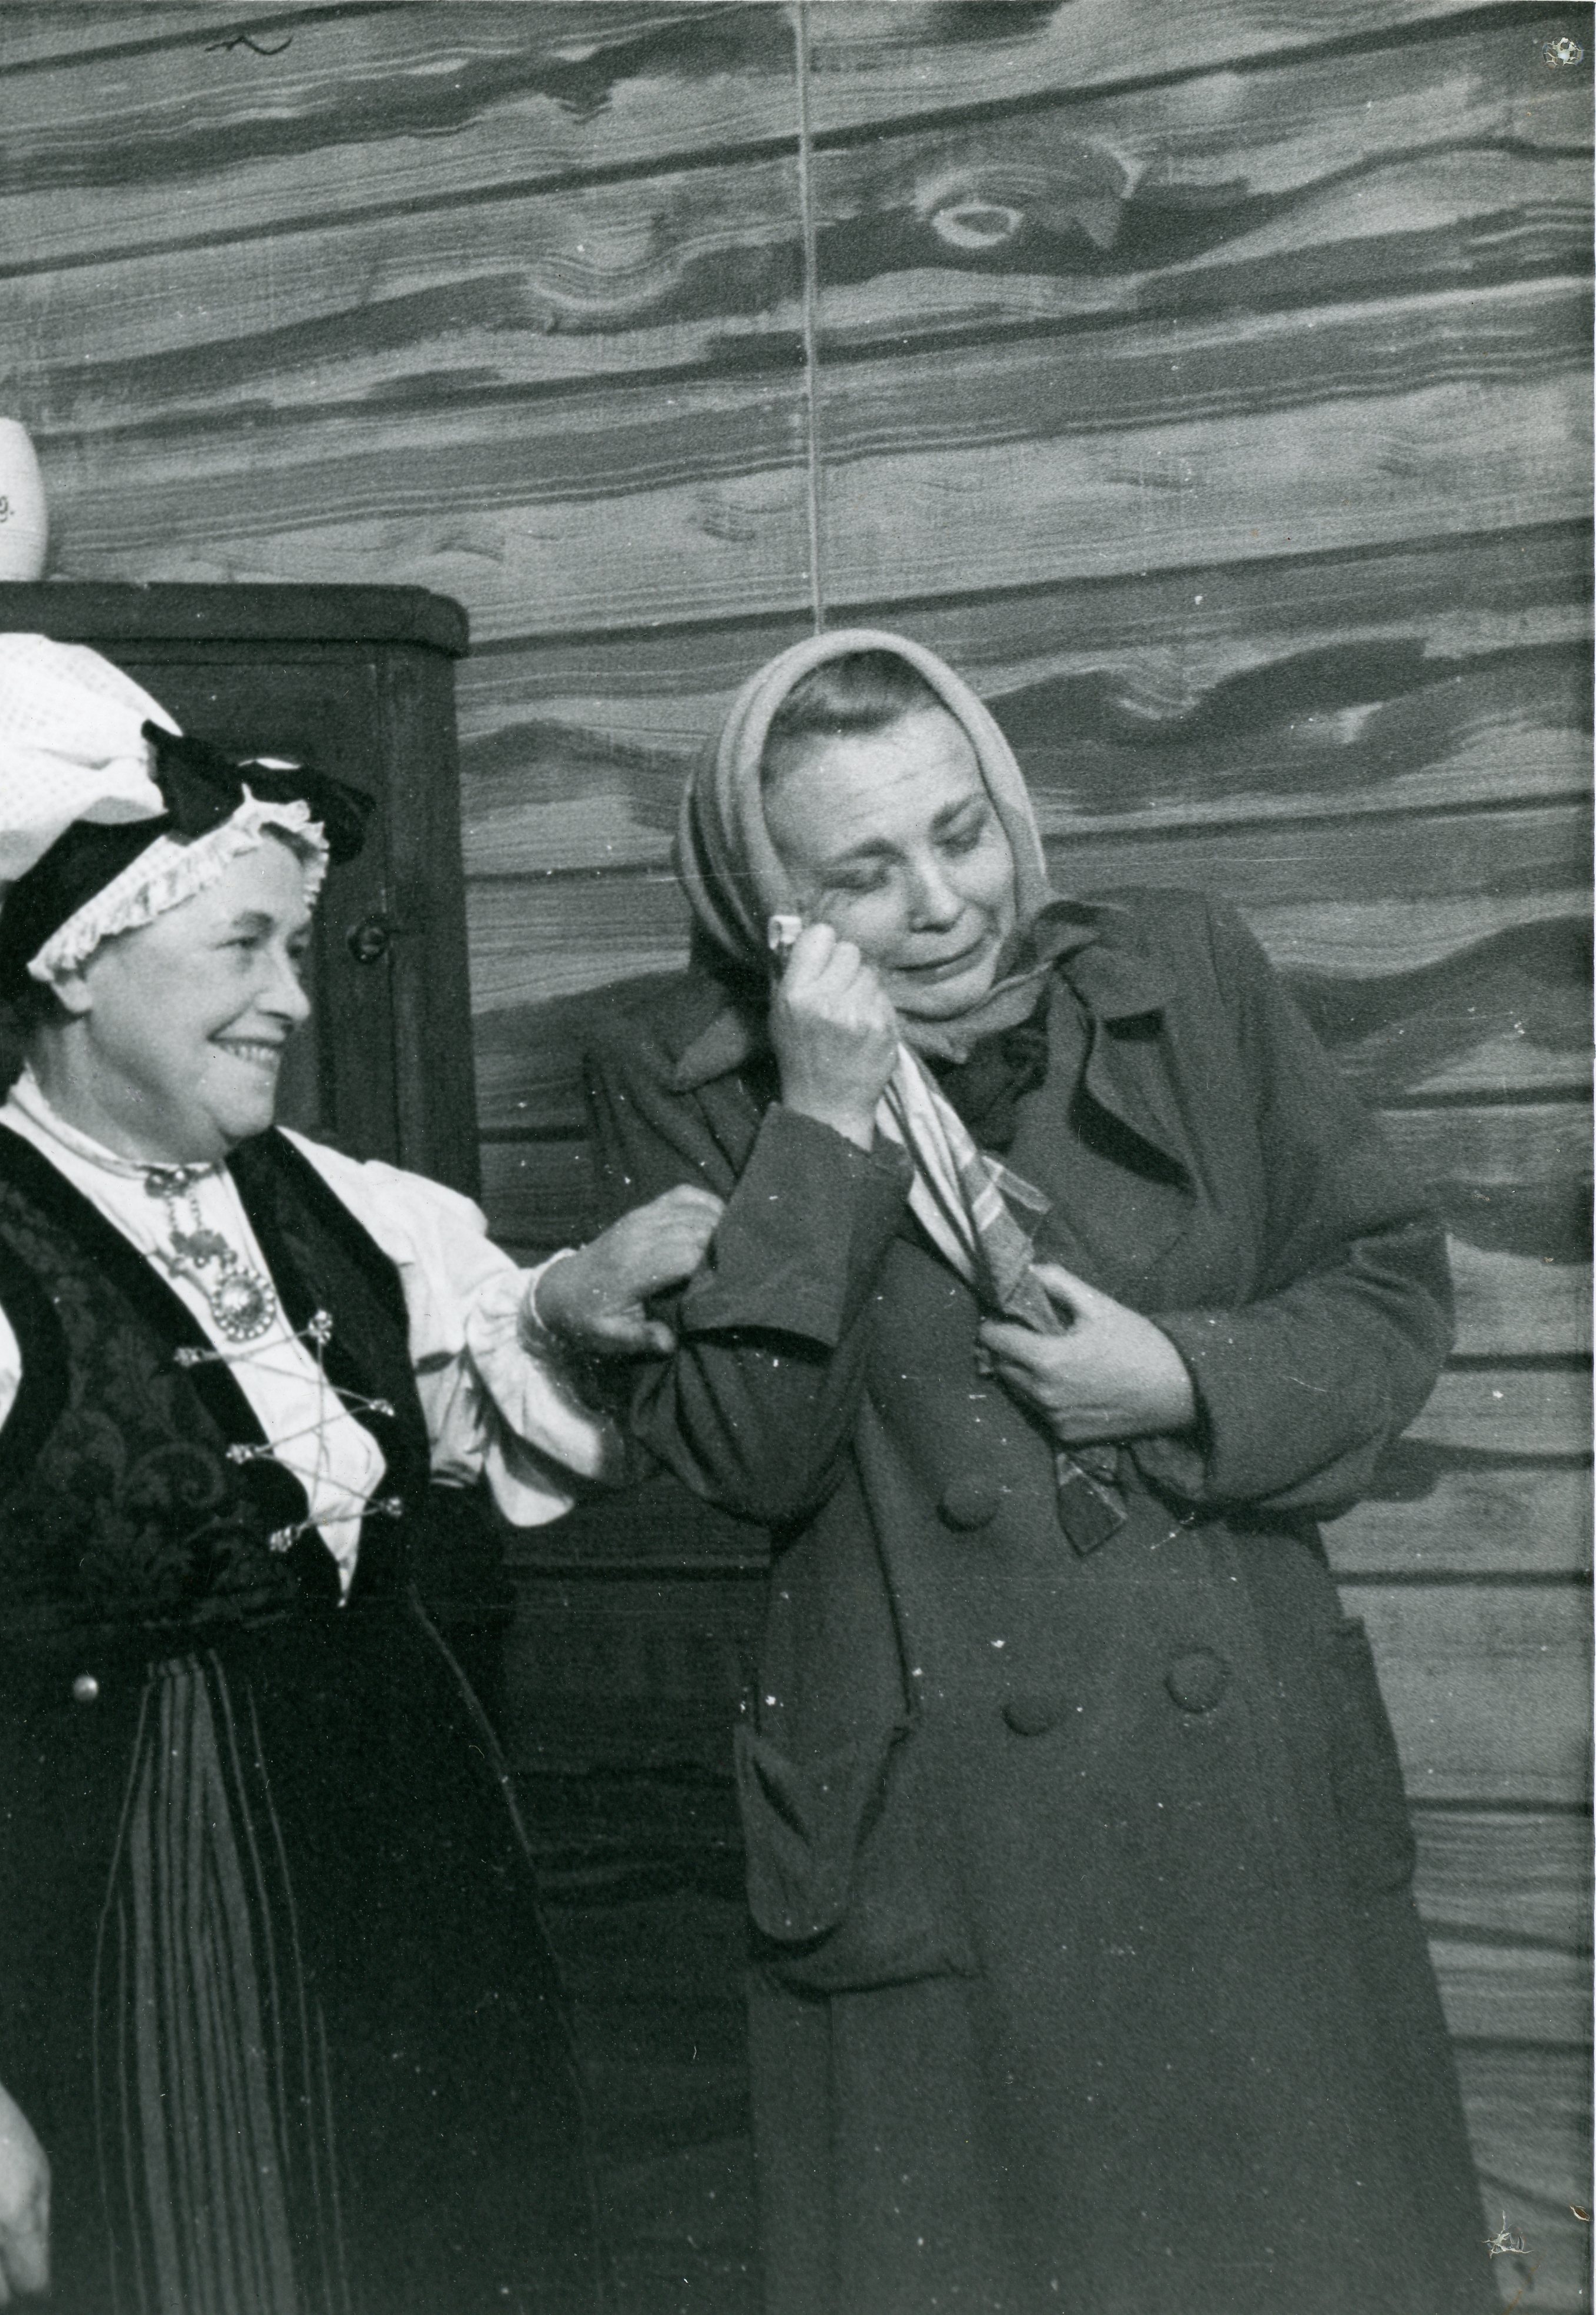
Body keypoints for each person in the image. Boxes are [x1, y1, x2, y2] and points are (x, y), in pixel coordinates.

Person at [0, 634, 723, 2314]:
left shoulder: (329, 1198)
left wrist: (564, 1301)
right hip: (144, 1925)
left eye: (293, 945)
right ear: (77, 965)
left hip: (409, 1878)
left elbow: (470, 1376)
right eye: (244, 944)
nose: (293, 995)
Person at [579, 628, 1490, 2315]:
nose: (943, 905)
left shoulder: (1186, 973)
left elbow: (1385, 1290)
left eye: (963, 832)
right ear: (768, 905)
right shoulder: (678, 1073)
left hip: (1237, 1800)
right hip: (948, 1850)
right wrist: (821, 1121)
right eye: (862, 874)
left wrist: (1182, 1376)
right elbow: (750, 1460)